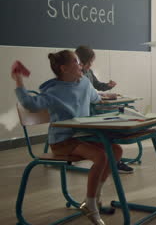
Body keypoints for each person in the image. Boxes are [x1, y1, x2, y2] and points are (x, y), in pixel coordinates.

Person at [12, 50, 123, 225]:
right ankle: (92, 204)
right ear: (64, 68)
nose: (81, 65)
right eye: (76, 62)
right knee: (101, 156)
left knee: (116, 151)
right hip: (63, 141)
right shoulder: (54, 90)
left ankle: (94, 198)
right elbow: (30, 104)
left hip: (84, 136)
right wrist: (19, 81)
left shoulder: (85, 83)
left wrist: (105, 95)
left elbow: (95, 98)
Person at [75, 45, 133, 174]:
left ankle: (114, 160)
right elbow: (88, 95)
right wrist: (104, 96)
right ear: (81, 62)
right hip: (86, 115)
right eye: (89, 62)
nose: (90, 65)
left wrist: (108, 86)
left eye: (91, 62)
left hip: (92, 110)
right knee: (106, 130)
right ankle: (114, 161)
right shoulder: (77, 76)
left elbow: (96, 86)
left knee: (113, 121)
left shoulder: (88, 72)